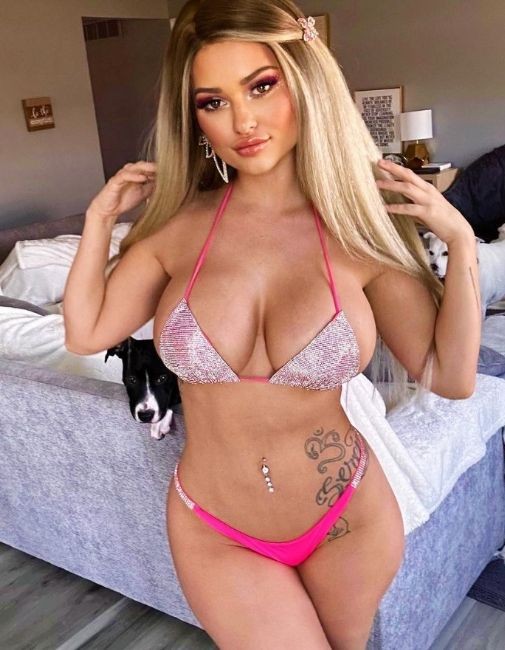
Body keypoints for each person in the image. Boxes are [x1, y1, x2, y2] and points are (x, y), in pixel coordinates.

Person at [63, 1, 481, 647]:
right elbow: (86, 331)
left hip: (347, 519)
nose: (243, 121)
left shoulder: (360, 232)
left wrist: (463, 246)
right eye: (213, 101)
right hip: (216, 529)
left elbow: (450, 378)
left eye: (261, 86)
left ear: (306, 84)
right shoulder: (178, 230)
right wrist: (98, 221)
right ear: (194, 118)